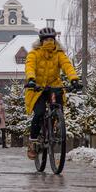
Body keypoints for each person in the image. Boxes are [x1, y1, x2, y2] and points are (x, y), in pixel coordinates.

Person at [24, 27, 81, 160]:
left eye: (51, 39)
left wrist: (74, 79)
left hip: (55, 86)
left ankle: (53, 127)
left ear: (55, 40)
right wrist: (31, 79)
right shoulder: (34, 53)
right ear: (41, 41)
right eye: (46, 39)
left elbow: (67, 66)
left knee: (58, 108)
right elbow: (29, 66)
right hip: (37, 88)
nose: (49, 42)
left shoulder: (59, 54)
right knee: (39, 113)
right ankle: (32, 141)